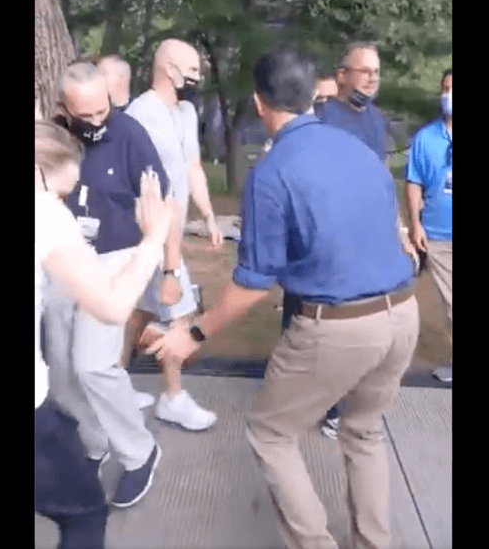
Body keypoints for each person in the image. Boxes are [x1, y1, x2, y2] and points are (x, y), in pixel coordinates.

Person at [147, 49, 420, 549]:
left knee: (272, 431)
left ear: (259, 102)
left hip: (339, 327)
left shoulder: (272, 172)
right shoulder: (358, 150)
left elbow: (254, 283)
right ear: (316, 93)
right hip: (404, 313)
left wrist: (194, 333)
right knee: (363, 430)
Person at [35, 120, 176, 549]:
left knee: (86, 369)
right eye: (61, 193)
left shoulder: (130, 136)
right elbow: (113, 307)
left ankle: (130, 449)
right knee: (85, 514)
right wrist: (154, 238)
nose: (63, 202)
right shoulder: (45, 214)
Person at [283, 42, 414, 439]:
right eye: (364, 71)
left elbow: (382, 177)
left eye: (376, 72)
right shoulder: (320, 114)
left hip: (364, 236)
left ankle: (335, 405)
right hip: (319, 236)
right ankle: (297, 400)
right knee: (304, 318)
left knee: (351, 319)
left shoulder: (375, 119)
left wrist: (399, 230)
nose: (372, 79)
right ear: (341, 76)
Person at [124, 38, 223, 432]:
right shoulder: (140, 115)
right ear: (169, 69)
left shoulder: (186, 112)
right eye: (192, 69)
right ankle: (173, 397)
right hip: (146, 232)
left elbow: (192, 168)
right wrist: (163, 254)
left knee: (140, 313)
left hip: (174, 232)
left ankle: (113, 383)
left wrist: (210, 216)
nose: (198, 77)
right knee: (180, 311)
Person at [406, 68, 453, 385]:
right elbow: (414, 182)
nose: (450, 95)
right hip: (439, 235)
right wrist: (415, 224)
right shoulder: (426, 138)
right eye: (446, 88)